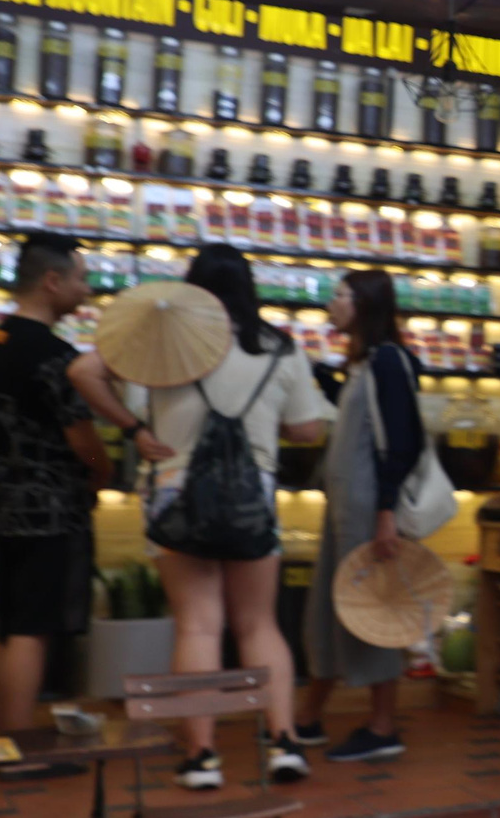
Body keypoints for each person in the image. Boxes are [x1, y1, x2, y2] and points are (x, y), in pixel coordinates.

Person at [75, 244, 329, 788]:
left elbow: (83, 371)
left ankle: (203, 757)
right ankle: (284, 744)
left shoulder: (163, 339)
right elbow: (308, 430)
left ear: (192, 288)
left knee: (197, 625)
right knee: (259, 624)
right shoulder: (278, 347)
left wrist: (134, 430)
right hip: (251, 495)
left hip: (175, 491)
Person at [0, 234, 151, 764]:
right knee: (32, 630)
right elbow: (82, 436)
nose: (87, 288)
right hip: (49, 508)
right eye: (80, 277)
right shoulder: (55, 356)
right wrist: (103, 472)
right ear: (52, 282)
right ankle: (22, 752)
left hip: (4, 503)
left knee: (8, 626)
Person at [297, 269, 423, 762]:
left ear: (364, 303)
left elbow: (402, 442)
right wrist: (320, 375)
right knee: (330, 610)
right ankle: (308, 718)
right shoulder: (364, 364)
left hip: (369, 511)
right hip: (346, 509)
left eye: (341, 295)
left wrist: (386, 513)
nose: (332, 303)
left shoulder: (389, 361)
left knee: (370, 612)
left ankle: (383, 726)